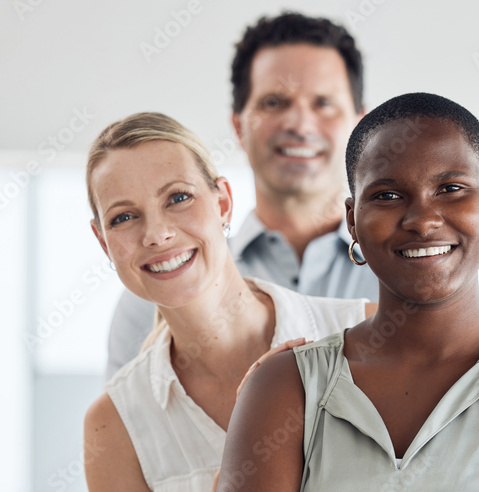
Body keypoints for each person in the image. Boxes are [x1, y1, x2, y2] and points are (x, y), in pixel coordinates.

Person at [218, 93, 479, 491]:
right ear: (353, 220)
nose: (423, 220)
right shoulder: (287, 386)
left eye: (450, 189)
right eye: (387, 196)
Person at [82, 112, 373, 491]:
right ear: (104, 241)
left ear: (223, 204)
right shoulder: (114, 424)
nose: (156, 234)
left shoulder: (362, 334)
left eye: (178, 197)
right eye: (123, 217)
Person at [104, 12, 378, 379]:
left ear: (361, 126)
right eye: (274, 103)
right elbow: (132, 428)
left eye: (323, 103)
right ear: (238, 126)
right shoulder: (161, 282)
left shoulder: (412, 272)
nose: (299, 124)